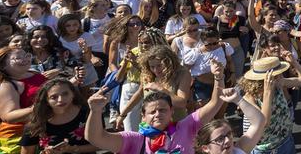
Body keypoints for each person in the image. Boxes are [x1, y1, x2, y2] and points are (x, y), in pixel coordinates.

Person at [84, 60, 227, 154]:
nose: (158, 114)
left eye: (163, 110)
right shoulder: (134, 140)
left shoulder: (186, 127)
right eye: (152, 112)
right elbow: (95, 138)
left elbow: (215, 103)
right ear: (143, 116)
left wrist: (219, 77)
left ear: (171, 112)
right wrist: (95, 111)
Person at [0, 47, 48, 154]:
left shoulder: (35, 74)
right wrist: (41, 106)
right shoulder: (2, 86)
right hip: (17, 139)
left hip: (44, 131)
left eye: (26, 55)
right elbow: (9, 116)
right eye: (18, 57)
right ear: (2, 65)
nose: (25, 59)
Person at [238, 56, 301, 154]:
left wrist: (294, 62)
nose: (281, 75)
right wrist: (268, 92)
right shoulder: (249, 98)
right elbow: (264, 123)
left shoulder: (279, 83)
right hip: (267, 150)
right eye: (277, 74)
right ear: (266, 79)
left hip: (286, 141)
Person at [193, 79, 271, 154]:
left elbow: (259, 121)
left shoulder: (238, 150)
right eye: (220, 139)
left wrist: (238, 99)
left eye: (229, 134)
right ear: (206, 148)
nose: (227, 140)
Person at [20, 78, 96, 154]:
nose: (60, 99)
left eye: (65, 94)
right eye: (54, 97)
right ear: (46, 101)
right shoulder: (37, 123)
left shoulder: (89, 112)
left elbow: (101, 144)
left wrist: (72, 149)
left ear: (73, 94)